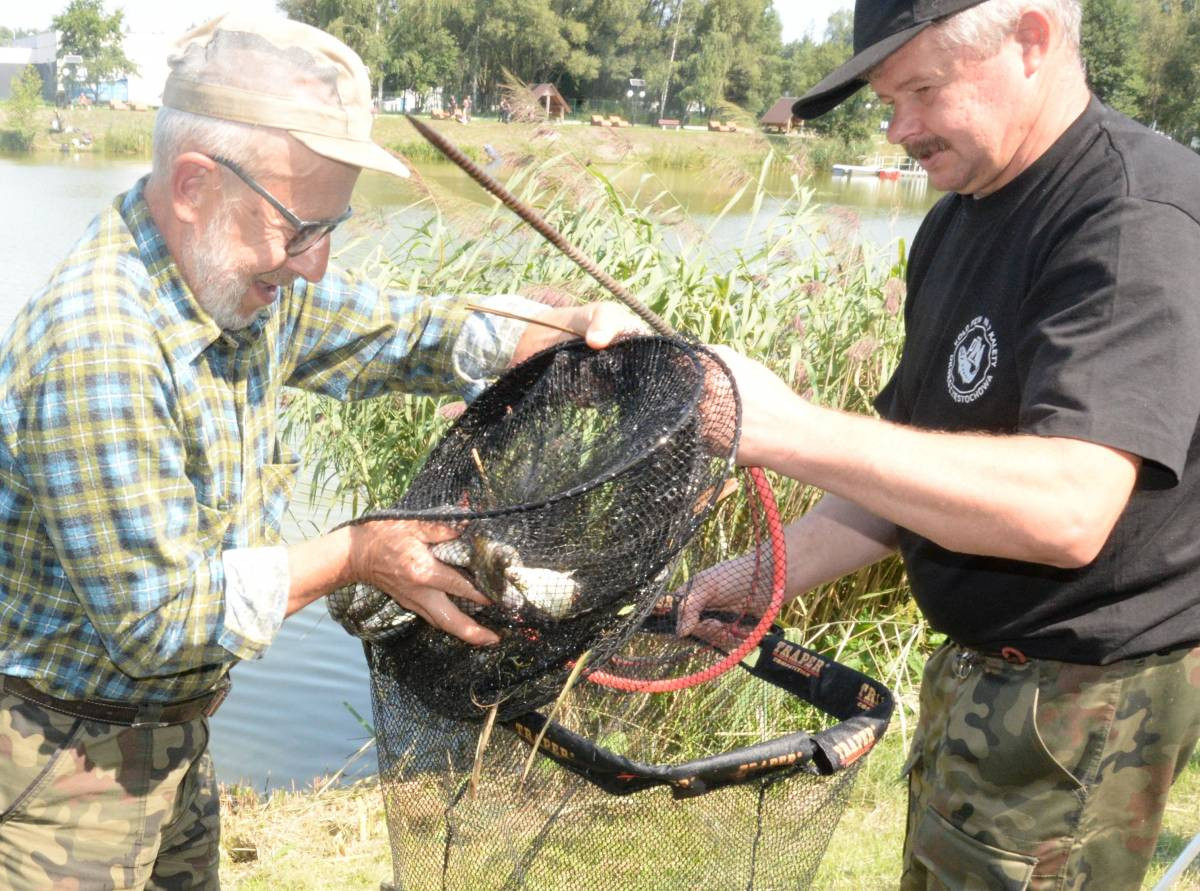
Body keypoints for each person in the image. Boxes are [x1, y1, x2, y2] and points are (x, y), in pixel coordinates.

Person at [0, 14, 634, 890]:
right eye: (300, 227)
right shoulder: (99, 347)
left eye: (332, 225)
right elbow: (157, 623)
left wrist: (550, 331)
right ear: (192, 185)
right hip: (59, 770)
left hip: (175, 738)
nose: (316, 265)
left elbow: (396, 330)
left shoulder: (232, 278)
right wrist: (354, 555)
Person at [679, 1, 1200, 887]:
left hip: (1085, 704)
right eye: (887, 99)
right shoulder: (960, 215)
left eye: (921, 89)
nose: (898, 128)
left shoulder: (1132, 217)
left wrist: (787, 427)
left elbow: (1068, 510)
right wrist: (756, 575)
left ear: (1032, 42)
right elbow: (902, 470)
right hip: (975, 680)